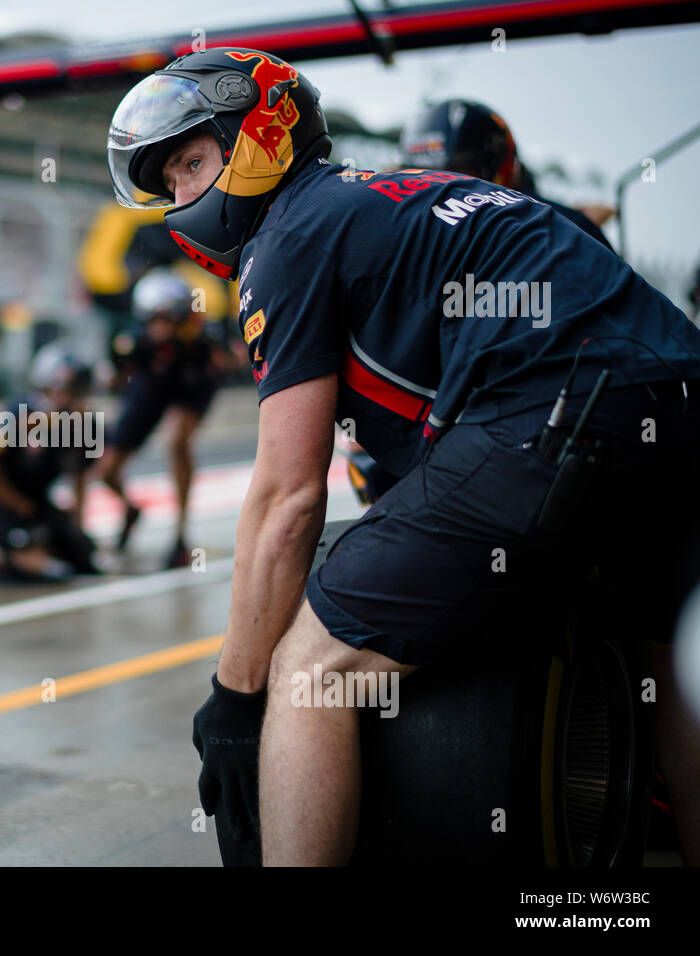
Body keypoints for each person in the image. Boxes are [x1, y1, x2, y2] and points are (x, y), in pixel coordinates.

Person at [107, 47, 700, 865]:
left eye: (193, 162)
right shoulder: (397, 197)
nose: (180, 195)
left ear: (263, 136)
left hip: (552, 401)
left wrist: (235, 699)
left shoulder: (288, 235)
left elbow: (287, 498)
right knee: (663, 657)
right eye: (169, 178)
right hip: (674, 399)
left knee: (310, 669)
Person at [91, 268, 225, 568]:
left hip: (189, 389)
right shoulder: (132, 341)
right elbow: (114, 377)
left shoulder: (203, 339)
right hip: (150, 389)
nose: (160, 328)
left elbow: (224, 364)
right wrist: (114, 378)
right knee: (105, 469)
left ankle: (180, 533)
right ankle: (130, 509)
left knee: (177, 443)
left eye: (168, 319)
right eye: (154, 320)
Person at [400, 99, 615, 250]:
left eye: (456, 176)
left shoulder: (565, 230)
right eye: (421, 182)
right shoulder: (567, 226)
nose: (441, 192)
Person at [0, 345, 101, 581]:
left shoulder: (83, 425)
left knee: (83, 556)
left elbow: (80, 475)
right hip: (4, 501)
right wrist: (18, 504)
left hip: (37, 502)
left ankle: (24, 549)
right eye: (68, 392)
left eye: (78, 394)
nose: (73, 402)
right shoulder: (20, 415)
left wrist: (75, 526)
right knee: (25, 567)